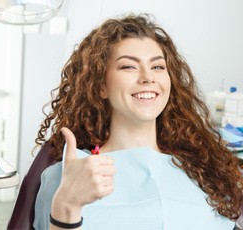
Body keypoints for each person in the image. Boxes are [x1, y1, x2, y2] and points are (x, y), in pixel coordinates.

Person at [33, 13, 243, 229]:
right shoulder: (71, 174)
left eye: (158, 67)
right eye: (128, 67)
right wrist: (66, 206)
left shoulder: (206, 171)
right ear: (100, 86)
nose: (148, 77)